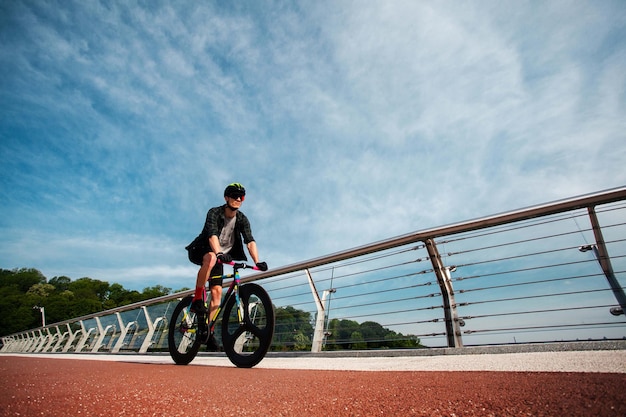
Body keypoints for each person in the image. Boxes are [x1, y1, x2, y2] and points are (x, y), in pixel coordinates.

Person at [185, 183, 267, 350]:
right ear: (226, 197)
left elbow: (249, 240)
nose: (238, 199)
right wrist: (219, 253)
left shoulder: (242, 219)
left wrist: (257, 262)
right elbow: (212, 235)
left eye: (241, 197)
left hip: (220, 256)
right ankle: (197, 299)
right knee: (211, 258)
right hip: (201, 249)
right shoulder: (214, 212)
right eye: (234, 195)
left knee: (216, 293)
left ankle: (208, 332)